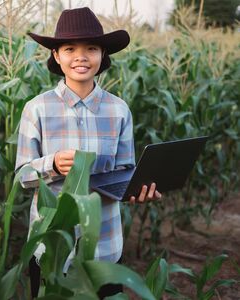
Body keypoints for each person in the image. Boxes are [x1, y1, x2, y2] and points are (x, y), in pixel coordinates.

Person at [15, 7, 162, 299]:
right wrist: (53, 164)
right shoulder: (37, 109)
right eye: (70, 48)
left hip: (105, 247)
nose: (81, 56)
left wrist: (138, 189)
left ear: (102, 55)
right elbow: (22, 176)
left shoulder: (118, 110)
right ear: (57, 56)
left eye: (91, 48)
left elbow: (125, 171)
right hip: (51, 249)